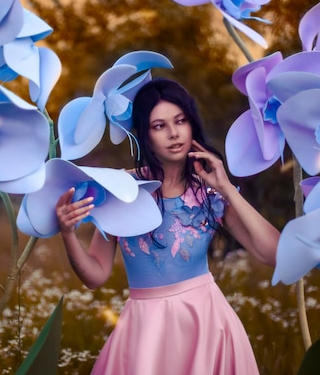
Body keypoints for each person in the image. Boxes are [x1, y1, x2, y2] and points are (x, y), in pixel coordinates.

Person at [55, 77, 280, 375]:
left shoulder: (210, 193)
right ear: (145, 135)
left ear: (191, 124)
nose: (174, 133)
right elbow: (96, 275)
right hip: (144, 330)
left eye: (180, 121)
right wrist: (68, 233)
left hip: (207, 326)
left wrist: (226, 188)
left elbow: (274, 253)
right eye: (159, 126)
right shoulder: (123, 190)